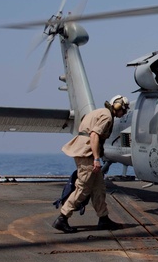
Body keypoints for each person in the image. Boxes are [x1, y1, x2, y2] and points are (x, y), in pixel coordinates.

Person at [52, 95, 130, 233]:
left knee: (98, 187)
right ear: (117, 106)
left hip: (84, 151)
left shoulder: (99, 112)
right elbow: (94, 135)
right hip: (87, 154)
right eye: (123, 109)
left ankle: (103, 219)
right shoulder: (107, 116)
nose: (123, 113)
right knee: (83, 188)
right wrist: (96, 158)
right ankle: (62, 218)